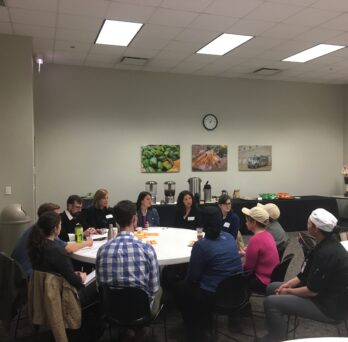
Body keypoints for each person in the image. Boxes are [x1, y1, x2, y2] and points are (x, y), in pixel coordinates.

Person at [257, 208, 348, 342]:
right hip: (322, 293)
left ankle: (276, 338)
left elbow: (312, 291)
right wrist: (288, 285)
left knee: (271, 302)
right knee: (272, 287)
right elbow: (304, 275)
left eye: (309, 222)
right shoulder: (324, 243)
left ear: (316, 229)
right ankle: (279, 324)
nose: (307, 224)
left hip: (328, 307)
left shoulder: (326, 253)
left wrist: (288, 291)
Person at [174, 206, 243, 341]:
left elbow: (193, 278)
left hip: (213, 294)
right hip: (236, 290)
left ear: (203, 224)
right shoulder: (229, 237)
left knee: (179, 288)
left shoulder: (201, 245)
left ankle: (193, 328)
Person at [96, 200, 161, 316]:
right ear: (135, 219)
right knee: (159, 290)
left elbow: (100, 285)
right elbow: (154, 288)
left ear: (116, 221)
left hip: (112, 310)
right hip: (141, 310)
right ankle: (139, 330)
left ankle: (127, 330)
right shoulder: (147, 249)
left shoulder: (102, 250)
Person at [27, 211, 97, 308]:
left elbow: (57, 272)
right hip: (63, 295)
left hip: (45, 291)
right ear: (55, 229)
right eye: (60, 225)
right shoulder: (58, 251)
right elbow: (75, 282)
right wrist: (81, 277)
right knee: (97, 280)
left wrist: (74, 274)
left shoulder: (36, 245)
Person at [11, 202, 93, 276]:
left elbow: (65, 245)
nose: (59, 218)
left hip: (19, 273)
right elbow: (68, 249)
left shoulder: (36, 228)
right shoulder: (45, 232)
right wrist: (87, 243)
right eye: (56, 215)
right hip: (31, 277)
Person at [241, 206, 279, 293]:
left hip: (263, 280)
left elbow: (248, 268)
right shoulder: (268, 235)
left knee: (233, 273)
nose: (246, 223)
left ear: (253, 222)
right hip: (272, 276)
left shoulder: (255, 240)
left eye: (247, 220)